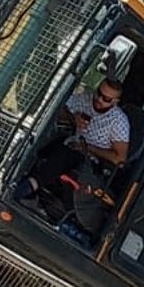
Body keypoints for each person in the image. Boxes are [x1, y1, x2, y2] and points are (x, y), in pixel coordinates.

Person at [21, 78, 131, 212]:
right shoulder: (85, 98)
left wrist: (88, 148)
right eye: (99, 93)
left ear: (115, 102)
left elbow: (119, 158)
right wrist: (73, 118)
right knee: (47, 144)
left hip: (92, 160)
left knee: (63, 155)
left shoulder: (119, 122)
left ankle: (30, 185)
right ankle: (20, 177)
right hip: (71, 142)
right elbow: (58, 107)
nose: (99, 99)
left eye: (106, 99)